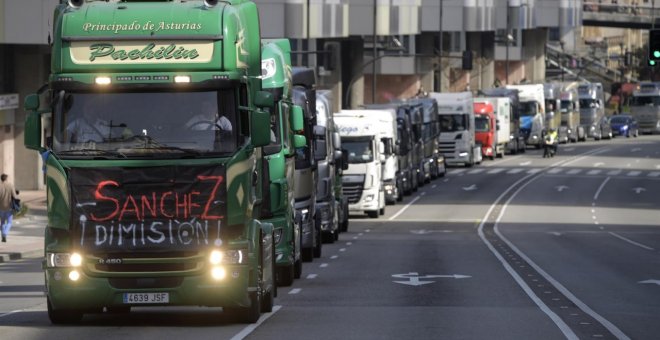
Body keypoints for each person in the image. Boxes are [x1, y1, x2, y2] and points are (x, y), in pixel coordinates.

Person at [0, 173, 19, 242]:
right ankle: (5, 233)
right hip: (9, 207)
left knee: (2, 222)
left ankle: (3, 234)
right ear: (6, 178)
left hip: (1, 207)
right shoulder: (10, 185)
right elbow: (14, 196)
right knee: (9, 222)